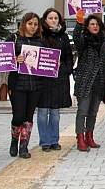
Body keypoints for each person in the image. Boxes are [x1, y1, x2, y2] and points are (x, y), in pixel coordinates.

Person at [8, 12, 44, 159]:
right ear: (23, 24)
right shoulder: (14, 39)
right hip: (18, 84)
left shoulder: (41, 41)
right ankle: (14, 139)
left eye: (36, 24)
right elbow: (2, 59)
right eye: (30, 24)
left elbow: (46, 60)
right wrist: (15, 59)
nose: (33, 27)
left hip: (35, 84)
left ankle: (24, 146)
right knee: (18, 116)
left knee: (28, 117)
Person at [37, 8, 73, 152]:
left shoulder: (63, 37)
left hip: (58, 78)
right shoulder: (39, 35)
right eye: (50, 18)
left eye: (56, 18)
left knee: (55, 114)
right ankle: (44, 141)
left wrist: (64, 68)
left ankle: (54, 140)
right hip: (43, 79)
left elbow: (69, 57)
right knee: (42, 113)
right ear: (45, 20)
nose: (53, 20)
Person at [73, 10, 105, 152]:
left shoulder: (104, 43)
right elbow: (76, 37)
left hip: (99, 82)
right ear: (87, 27)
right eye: (91, 24)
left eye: (96, 24)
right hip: (85, 81)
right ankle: (80, 138)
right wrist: (79, 22)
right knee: (83, 111)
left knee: (93, 111)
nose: (94, 26)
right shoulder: (84, 42)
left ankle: (90, 136)